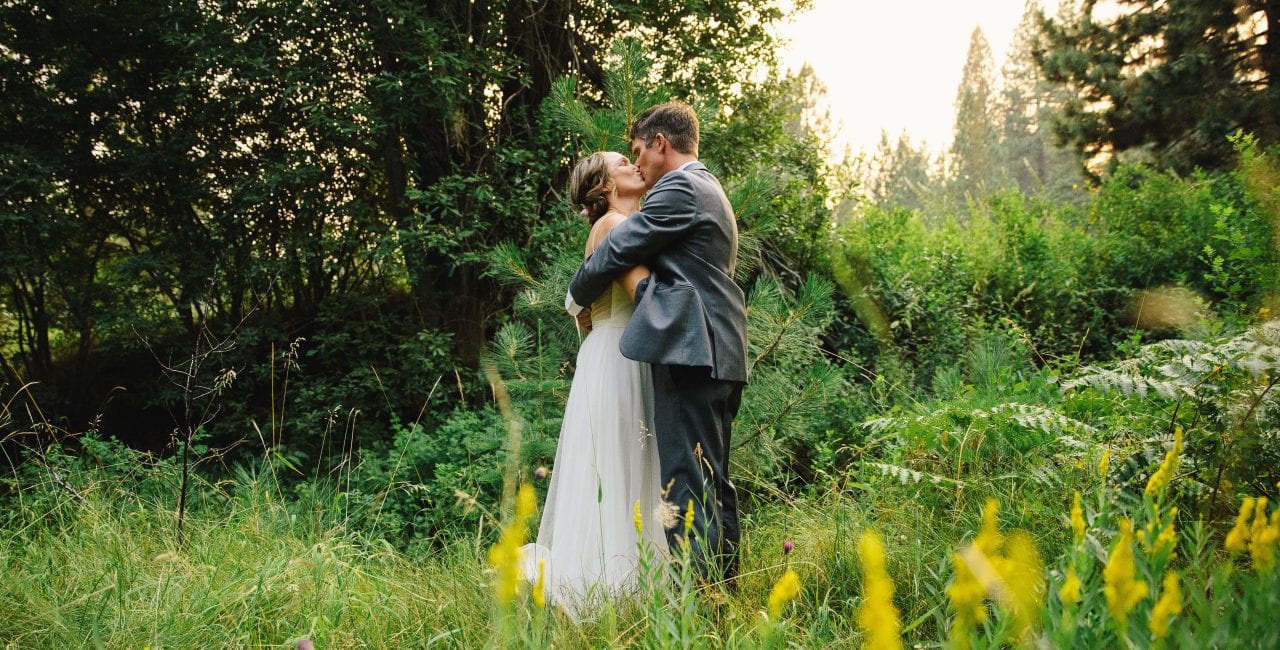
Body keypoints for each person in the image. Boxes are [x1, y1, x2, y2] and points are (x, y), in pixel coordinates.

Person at [567, 102, 748, 583]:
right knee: (712, 480)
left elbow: (620, 251)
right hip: (719, 352)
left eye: (637, 152)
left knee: (689, 482)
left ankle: (699, 598)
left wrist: (573, 297)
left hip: (692, 351)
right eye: (626, 160)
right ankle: (719, 596)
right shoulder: (706, 185)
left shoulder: (679, 188)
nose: (637, 163)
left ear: (660, 144)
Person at [520, 150, 670, 619]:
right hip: (621, 354)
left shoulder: (626, 223)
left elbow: (580, 306)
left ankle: (624, 584)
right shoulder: (613, 225)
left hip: (613, 350)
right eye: (622, 161)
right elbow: (646, 297)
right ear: (604, 185)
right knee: (621, 462)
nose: (633, 164)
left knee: (620, 462)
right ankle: (611, 588)